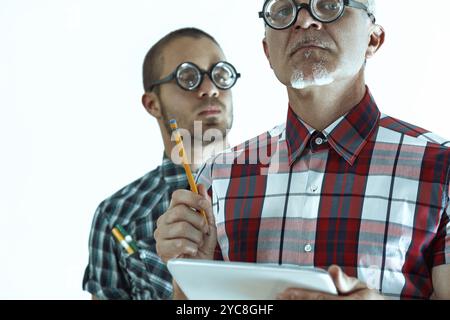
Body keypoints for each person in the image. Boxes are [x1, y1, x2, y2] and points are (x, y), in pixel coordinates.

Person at [154, 0, 450, 300]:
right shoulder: (216, 177)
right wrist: (194, 273)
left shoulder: (442, 167)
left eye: (329, 4)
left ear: (373, 39)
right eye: (284, 11)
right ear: (268, 51)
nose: (304, 20)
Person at [83, 27, 239, 299]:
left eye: (220, 74)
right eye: (188, 77)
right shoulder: (116, 215)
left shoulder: (279, 188)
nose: (210, 88)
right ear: (152, 104)